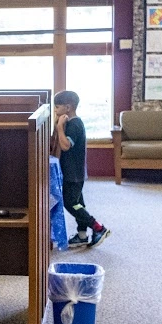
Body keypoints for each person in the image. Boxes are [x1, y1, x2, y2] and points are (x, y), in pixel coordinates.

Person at [53, 90, 108, 249]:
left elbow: (65, 146)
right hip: (74, 172)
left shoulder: (74, 124)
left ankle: (98, 227)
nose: (56, 110)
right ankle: (82, 235)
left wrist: (59, 128)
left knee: (70, 203)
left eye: (57, 107)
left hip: (73, 173)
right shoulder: (71, 123)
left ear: (68, 107)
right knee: (78, 204)